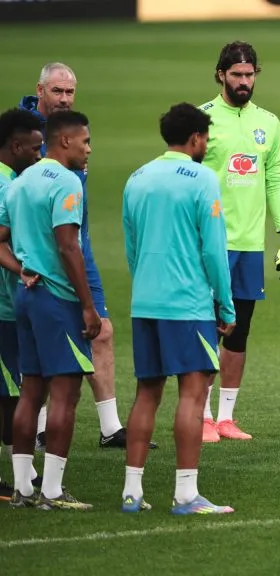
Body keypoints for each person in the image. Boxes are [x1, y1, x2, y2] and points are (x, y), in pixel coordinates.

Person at [120, 103, 236, 515]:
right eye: (205, 138)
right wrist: (224, 303)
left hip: (145, 301)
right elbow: (213, 249)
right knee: (193, 392)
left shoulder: (136, 178)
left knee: (146, 393)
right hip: (187, 304)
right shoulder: (203, 179)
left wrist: (147, 285)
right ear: (194, 139)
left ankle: (132, 491)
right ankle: (186, 494)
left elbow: (131, 246)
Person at [19, 63, 139, 450]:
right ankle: (37, 433)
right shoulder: (22, 135)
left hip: (78, 247)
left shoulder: (72, 133)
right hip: (41, 255)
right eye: (57, 91)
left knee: (102, 332)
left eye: (70, 92)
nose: (64, 99)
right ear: (40, 89)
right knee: (39, 346)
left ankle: (110, 427)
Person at [198, 41, 280, 442]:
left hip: (249, 247)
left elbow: (275, 181)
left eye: (250, 74)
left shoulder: (268, 123)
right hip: (209, 245)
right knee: (206, 329)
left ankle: (226, 418)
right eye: (237, 74)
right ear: (221, 74)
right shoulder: (202, 119)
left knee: (239, 332)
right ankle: (201, 416)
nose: (244, 81)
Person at [0, 110, 100, 510]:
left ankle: (23, 489)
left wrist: (22, 267)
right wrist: (88, 306)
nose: (89, 149)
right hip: (57, 300)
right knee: (64, 395)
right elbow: (68, 246)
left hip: (25, 298)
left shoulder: (20, 182)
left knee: (31, 392)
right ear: (64, 141)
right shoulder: (65, 182)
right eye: (85, 141)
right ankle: (53, 492)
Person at [0, 108, 44, 500]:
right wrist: (23, 270)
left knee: (13, 390)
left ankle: (24, 474)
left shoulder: (10, 178)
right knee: (9, 392)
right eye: (33, 148)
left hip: (8, 306)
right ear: (15, 146)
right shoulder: (5, 183)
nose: (38, 154)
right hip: (2, 307)